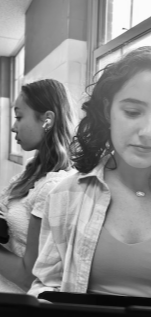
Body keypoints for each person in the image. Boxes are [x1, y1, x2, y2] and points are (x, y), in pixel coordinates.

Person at [28, 46, 151, 298]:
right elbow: (46, 285)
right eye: (132, 112)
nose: (148, 132)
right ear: (107, 110)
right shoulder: (66, 195)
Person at [0, 79, 77, 293]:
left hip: (17, 305)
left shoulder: (53, 187)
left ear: (47, 120)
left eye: (19, 117)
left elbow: (30, 278)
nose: (12, 126)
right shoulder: (32, 168)